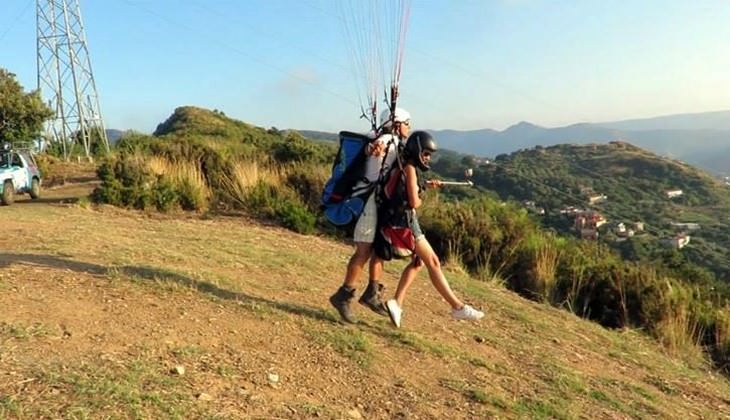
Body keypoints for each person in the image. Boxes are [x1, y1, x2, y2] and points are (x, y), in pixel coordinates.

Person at [383, 131, 484, 328]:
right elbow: (414, 202)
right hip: (406, 223)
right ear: (417, 151)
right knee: (434, 262)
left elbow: (403, 189)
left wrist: (424, 185)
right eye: (426, 153)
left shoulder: (403, 165)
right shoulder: (410, 169)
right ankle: (458, 307)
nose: (428, 158)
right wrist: (420, 194)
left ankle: (397, 303)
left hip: (397, 221)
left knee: (418, 262)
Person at [329, 107, 412, 323]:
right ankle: (343, 296)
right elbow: (373, 147)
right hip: (368, 202)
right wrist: (372, 150)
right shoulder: (385, 141)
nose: (409, 127)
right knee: (364, 251)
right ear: (396, 124)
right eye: (407, 123)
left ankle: (371, 293)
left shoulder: (391, 141)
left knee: (379, 248)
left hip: (379, 202)